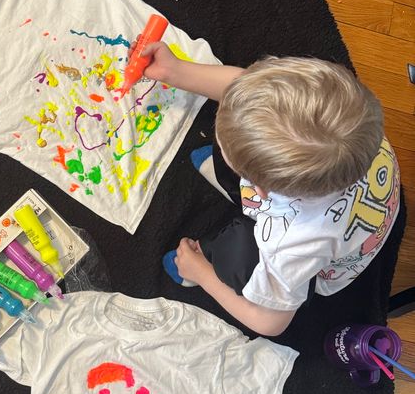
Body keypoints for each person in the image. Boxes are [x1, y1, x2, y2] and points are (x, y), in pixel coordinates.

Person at [146, 50, 400, 337]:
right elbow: (245, 89)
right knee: (236, 133)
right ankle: (234, 164)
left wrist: (202, 273)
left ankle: (212, 253)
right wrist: (175, 70)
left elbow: (270, 323)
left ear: (260, 189)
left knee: (237, 250)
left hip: (318, 267)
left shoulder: (289, 245)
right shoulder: (351, 121)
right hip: (357, 200)